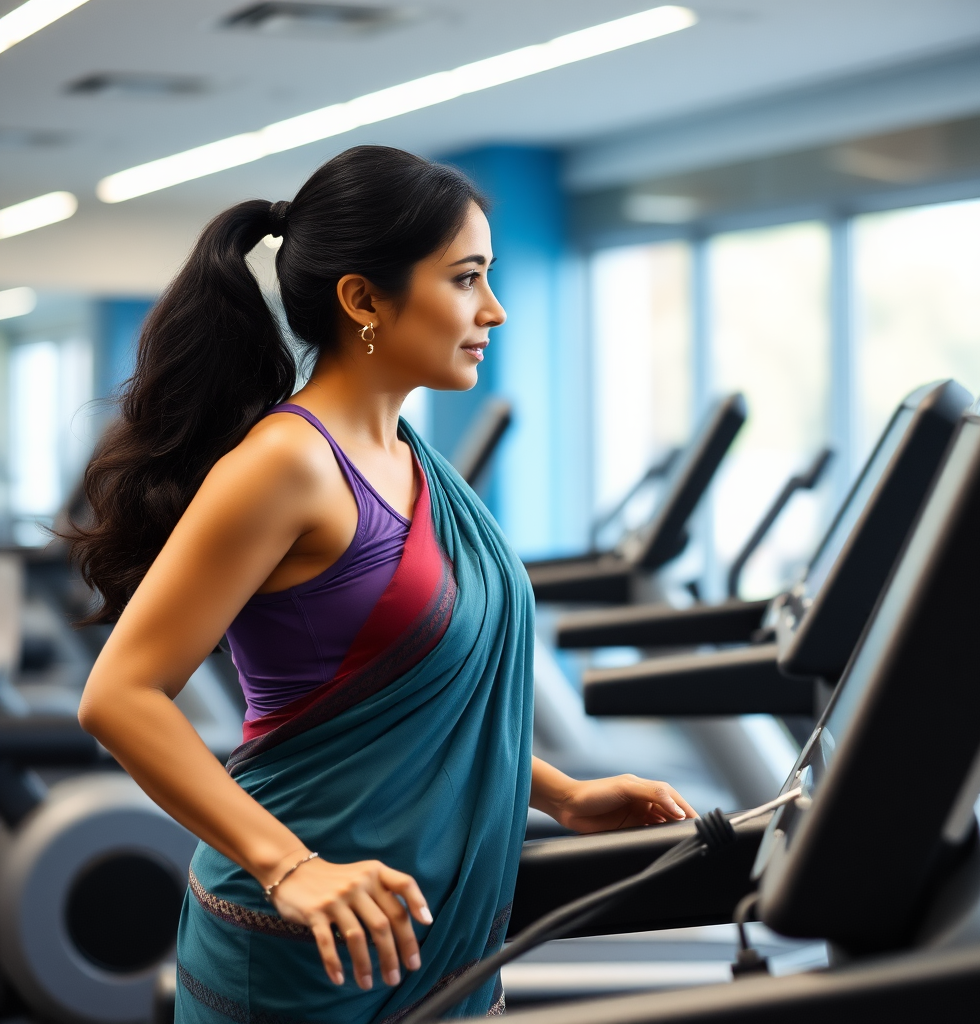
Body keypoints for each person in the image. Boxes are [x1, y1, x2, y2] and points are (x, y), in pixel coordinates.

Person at [73, 145, 696, 1022]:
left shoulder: (414, 458)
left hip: (430, 929)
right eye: (466, 278)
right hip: (304, 941)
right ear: (363, 299)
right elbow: (121, 696)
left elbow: (433, 706)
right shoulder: (286, 464)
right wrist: (289, 867)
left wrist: (560, 793)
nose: (496, 310)